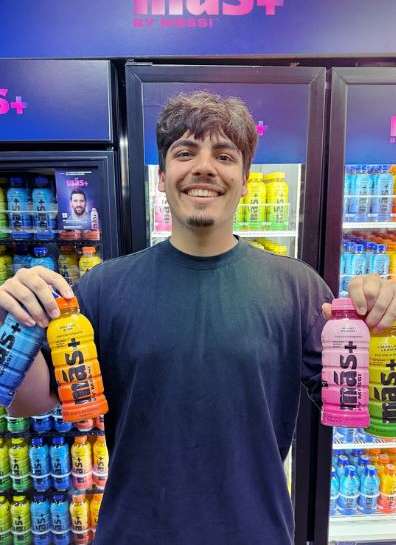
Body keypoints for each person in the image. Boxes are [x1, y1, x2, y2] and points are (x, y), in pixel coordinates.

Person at [1, 91, 396, 545]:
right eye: (185, 152)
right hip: (135, 533)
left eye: (224, 155)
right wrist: (14, 318)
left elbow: (369, 412)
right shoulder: (103, 287)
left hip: (257, 533)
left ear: (245, 179)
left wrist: (386, 334)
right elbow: (26, 402)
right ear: (163, 175)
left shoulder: (298, 288)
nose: (204, 167)